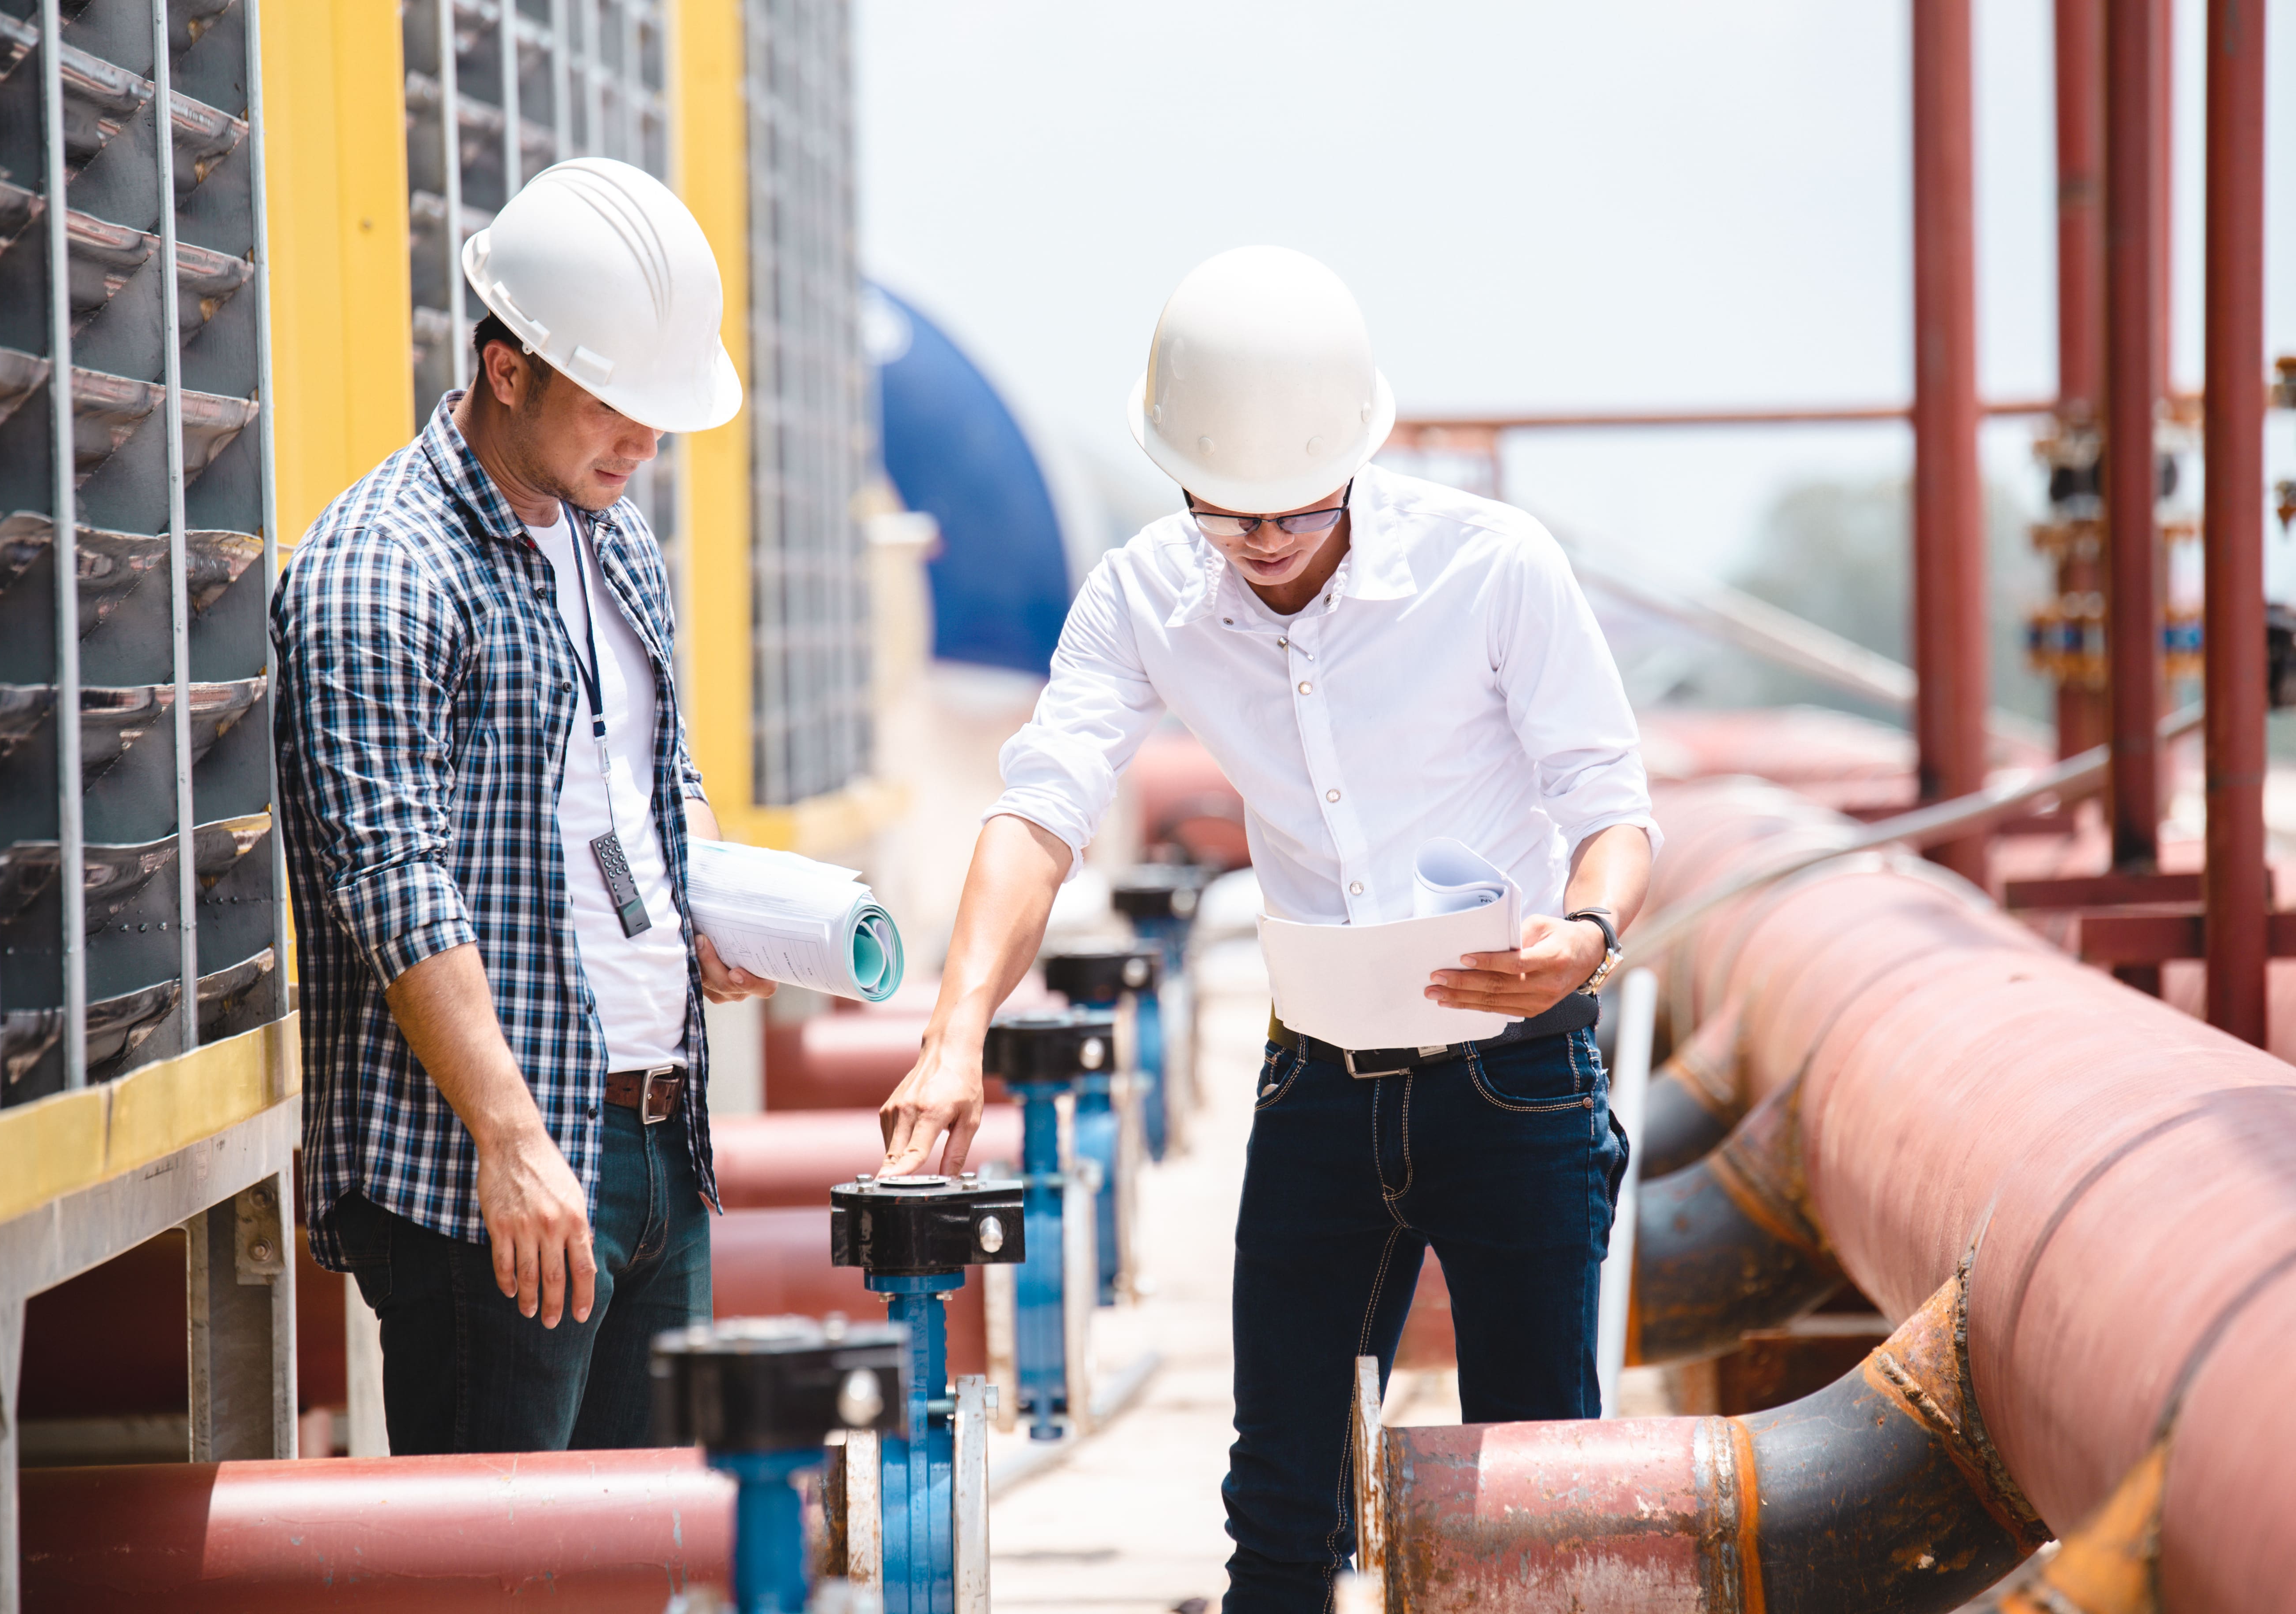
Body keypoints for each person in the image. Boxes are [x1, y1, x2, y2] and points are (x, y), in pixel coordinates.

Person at [877, 246, 1656, 1612]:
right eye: (1229, 514)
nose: (1266, 541)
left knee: (1535, 1500)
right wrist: (954, 1041)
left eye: (1296, 507)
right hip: (1319, 1089)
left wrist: (1586, 931)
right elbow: (1040, 811)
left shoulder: (1492, 571)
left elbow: (1613, 799)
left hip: (1511, 1073)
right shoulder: (1142, 599)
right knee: (1279, 1512)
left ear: (1356, 455)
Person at [272, 158, 774, 1456]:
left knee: (645, 1565)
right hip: (492, 1179)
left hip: (660, 1141)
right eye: (617, 408)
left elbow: (658, 778)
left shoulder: (616, 539)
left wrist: (712, 904)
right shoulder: (382, 570)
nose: (644, 447)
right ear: (508, 370)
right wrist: (512, 1139)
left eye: (660, 416)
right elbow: (393, 876)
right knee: (502, 1581)